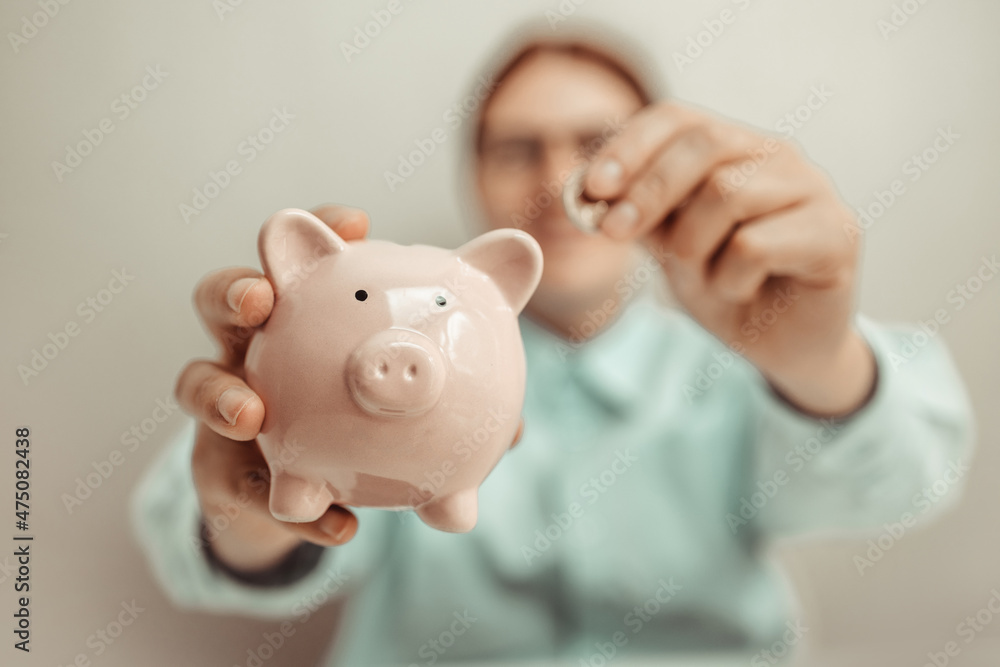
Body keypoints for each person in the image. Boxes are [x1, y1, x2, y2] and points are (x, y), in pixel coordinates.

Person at [132, 24, 975, 666]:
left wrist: (818, 362)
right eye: (516, 149)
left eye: (597, 145)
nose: (553, 181)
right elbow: (202, 541)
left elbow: (905, 487)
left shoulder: (732, 374)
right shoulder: (341, 360)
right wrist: (249, 496)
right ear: (474, 179)